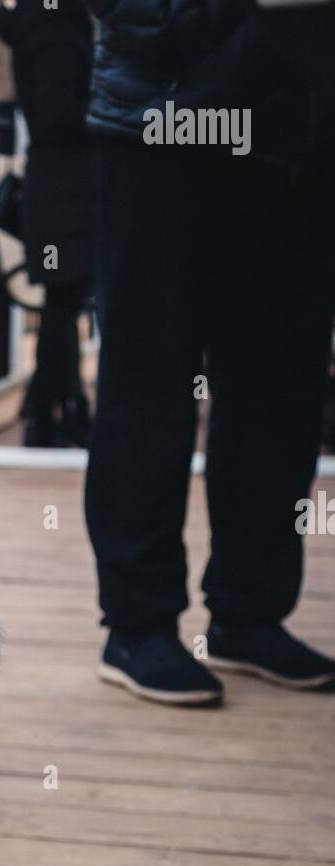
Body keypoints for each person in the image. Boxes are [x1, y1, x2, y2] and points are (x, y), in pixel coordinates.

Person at [83, 0, 335, 704]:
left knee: (280, 389)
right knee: (149, 379)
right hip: (160, 118)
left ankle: (247, 614)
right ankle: (138, 625)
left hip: (297, 132)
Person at [0, 0, 95, 448]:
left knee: (63, 300)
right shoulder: (55, 27)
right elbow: (59, 114)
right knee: (63, 301)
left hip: (54, 182)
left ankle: (54, 409)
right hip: (65, 187)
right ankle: (54, 411)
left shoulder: (39, 22)